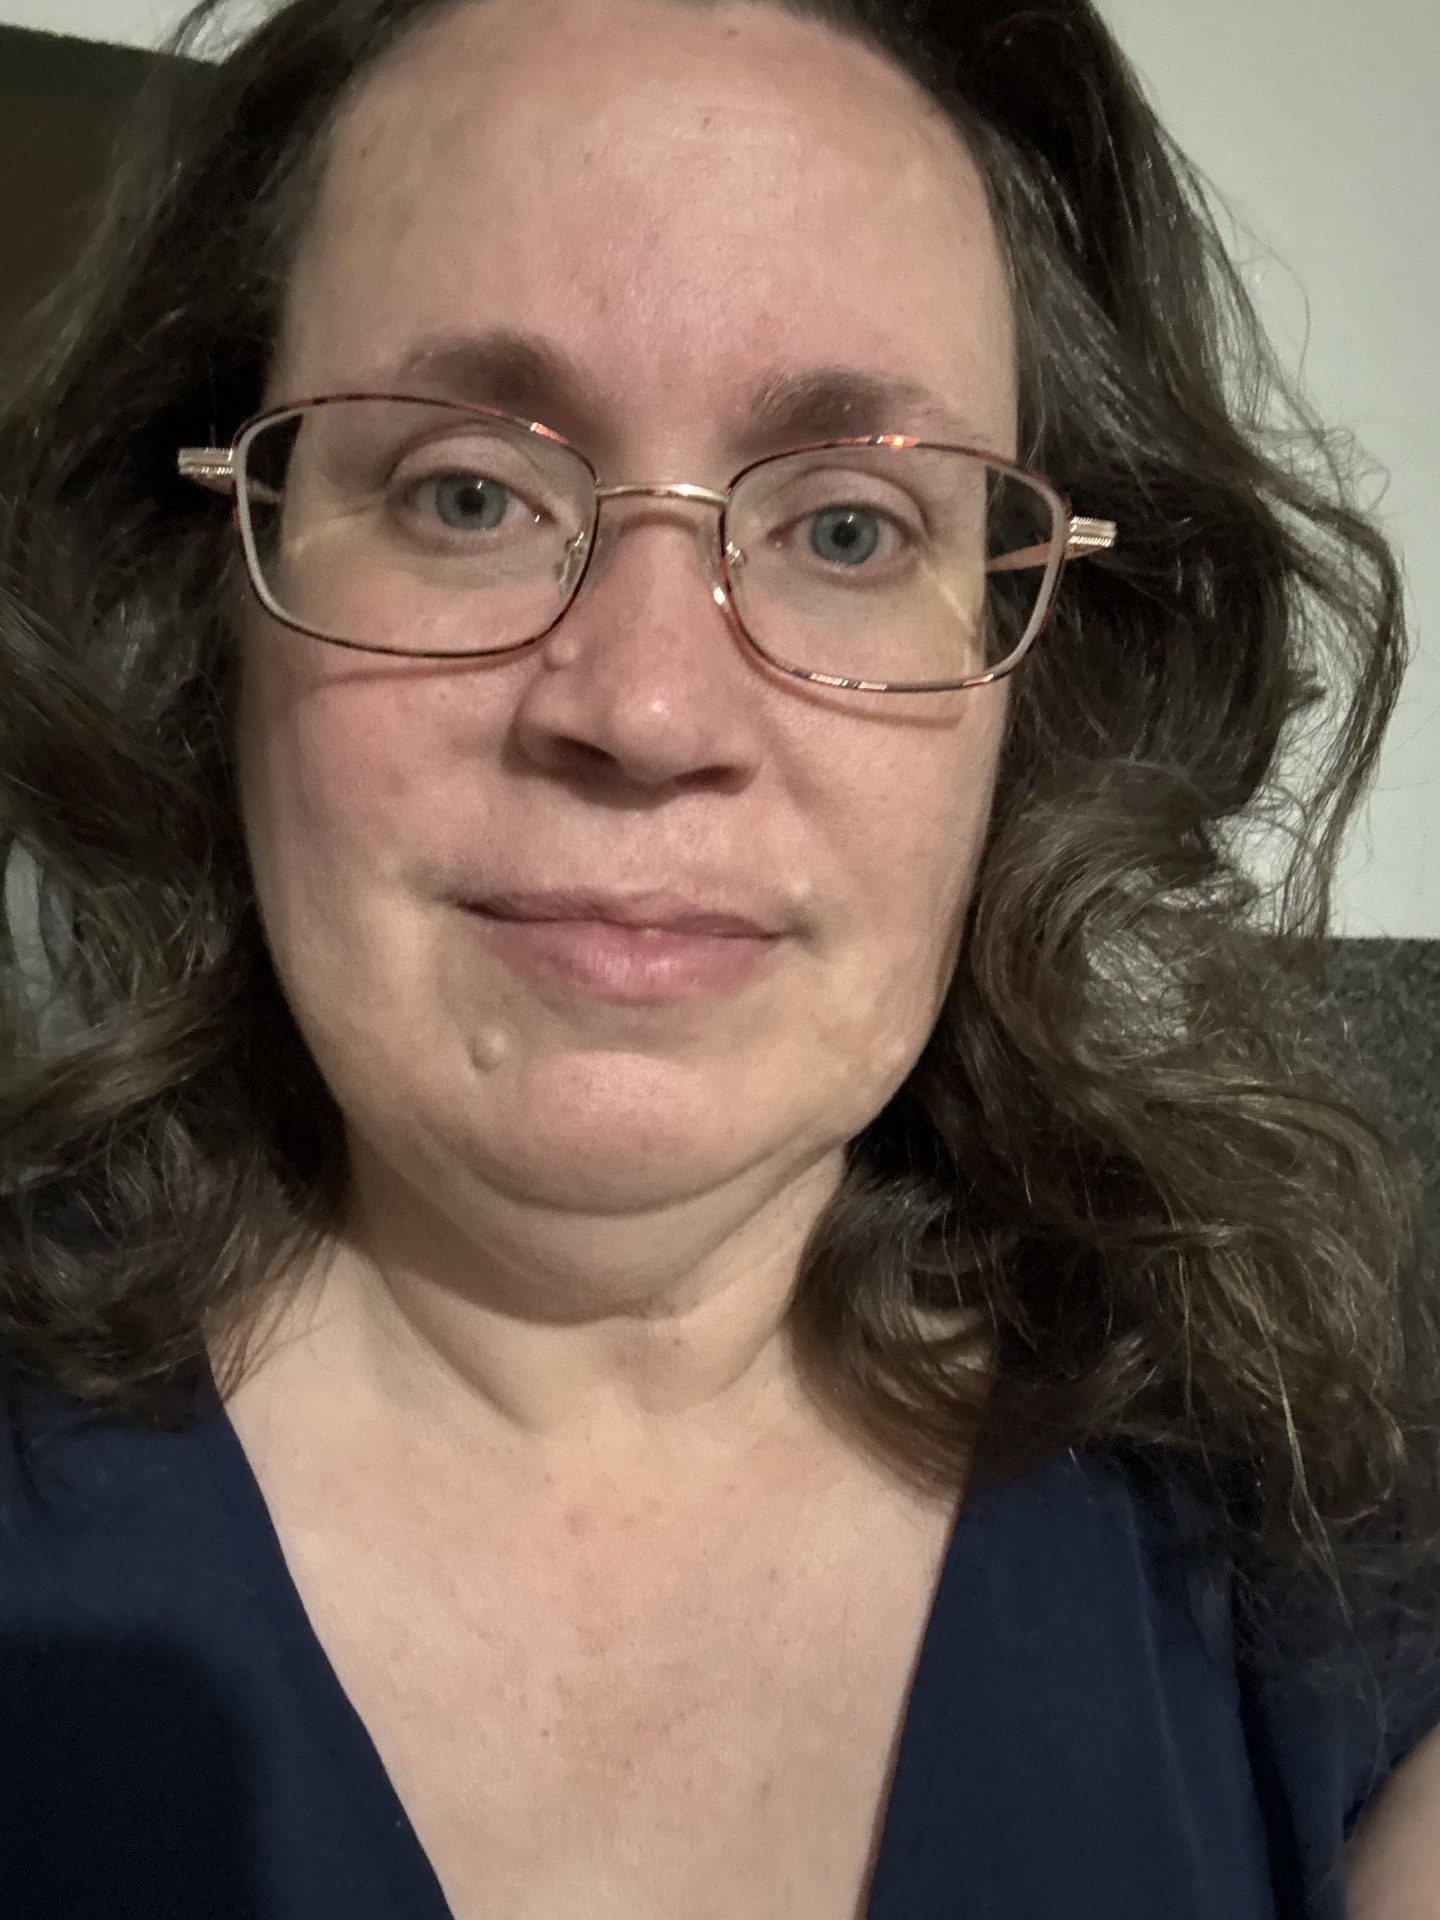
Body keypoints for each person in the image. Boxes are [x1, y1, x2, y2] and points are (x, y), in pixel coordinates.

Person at [1, 0, 1437, 1913]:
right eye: (463, 493)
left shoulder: (1301, 1535)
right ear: (215, 600)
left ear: (1037, 685)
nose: (650, 707)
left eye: (850, 526)